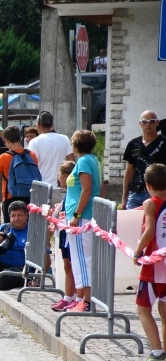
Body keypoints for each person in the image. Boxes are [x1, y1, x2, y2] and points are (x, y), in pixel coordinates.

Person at [132, 163, 166, 361]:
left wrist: (137, 252)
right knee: (164, 312)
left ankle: (156, 352)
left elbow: (150, 231)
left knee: (143, 309)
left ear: (147, 185)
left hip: (153, 267)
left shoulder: (150, 203)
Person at [63, 130, 102, 313]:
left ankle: (86, 302)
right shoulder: (93, 160)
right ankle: (83, 299)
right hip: (85, 215)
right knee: (82, 259)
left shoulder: (85, 161)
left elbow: (87, 190)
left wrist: (76, 216)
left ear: (76, 144)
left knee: (82, 259)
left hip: (82, 218)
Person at [0, 126, 41, 223]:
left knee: (11, 230)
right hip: (30, 196)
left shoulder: (4, 157)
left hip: (10, 197)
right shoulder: (32, 155)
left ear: (6, 141)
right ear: (20, 139)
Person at [122, 110, 166, 209]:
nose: (148, 124)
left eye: (152, 121)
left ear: (157, 122)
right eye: (145, 121)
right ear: (140, 124)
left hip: (158, 193)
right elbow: (129, 172)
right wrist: (124, 198)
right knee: (131, 222)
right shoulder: (133, 144)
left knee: (155, 222)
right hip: (136, 193)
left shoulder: (164, 142)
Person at [50, 160, 78, 312]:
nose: (58, 177)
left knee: (74, 265)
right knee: (67, 264)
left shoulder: (75, 192)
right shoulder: (67, 193)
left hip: (70, 231)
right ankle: (68, 297)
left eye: (59, 174)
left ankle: (77, 298)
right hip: (63, 231)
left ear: (66, 176)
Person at [27, 111, 74, 198]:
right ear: (52, 125)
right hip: (62, 188)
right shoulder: (64, 139)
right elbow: (72, 162)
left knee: (44, 211)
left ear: (38, 124)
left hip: (42, 187)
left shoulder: (34, 142)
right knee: (62, 211)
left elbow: (31, 165)